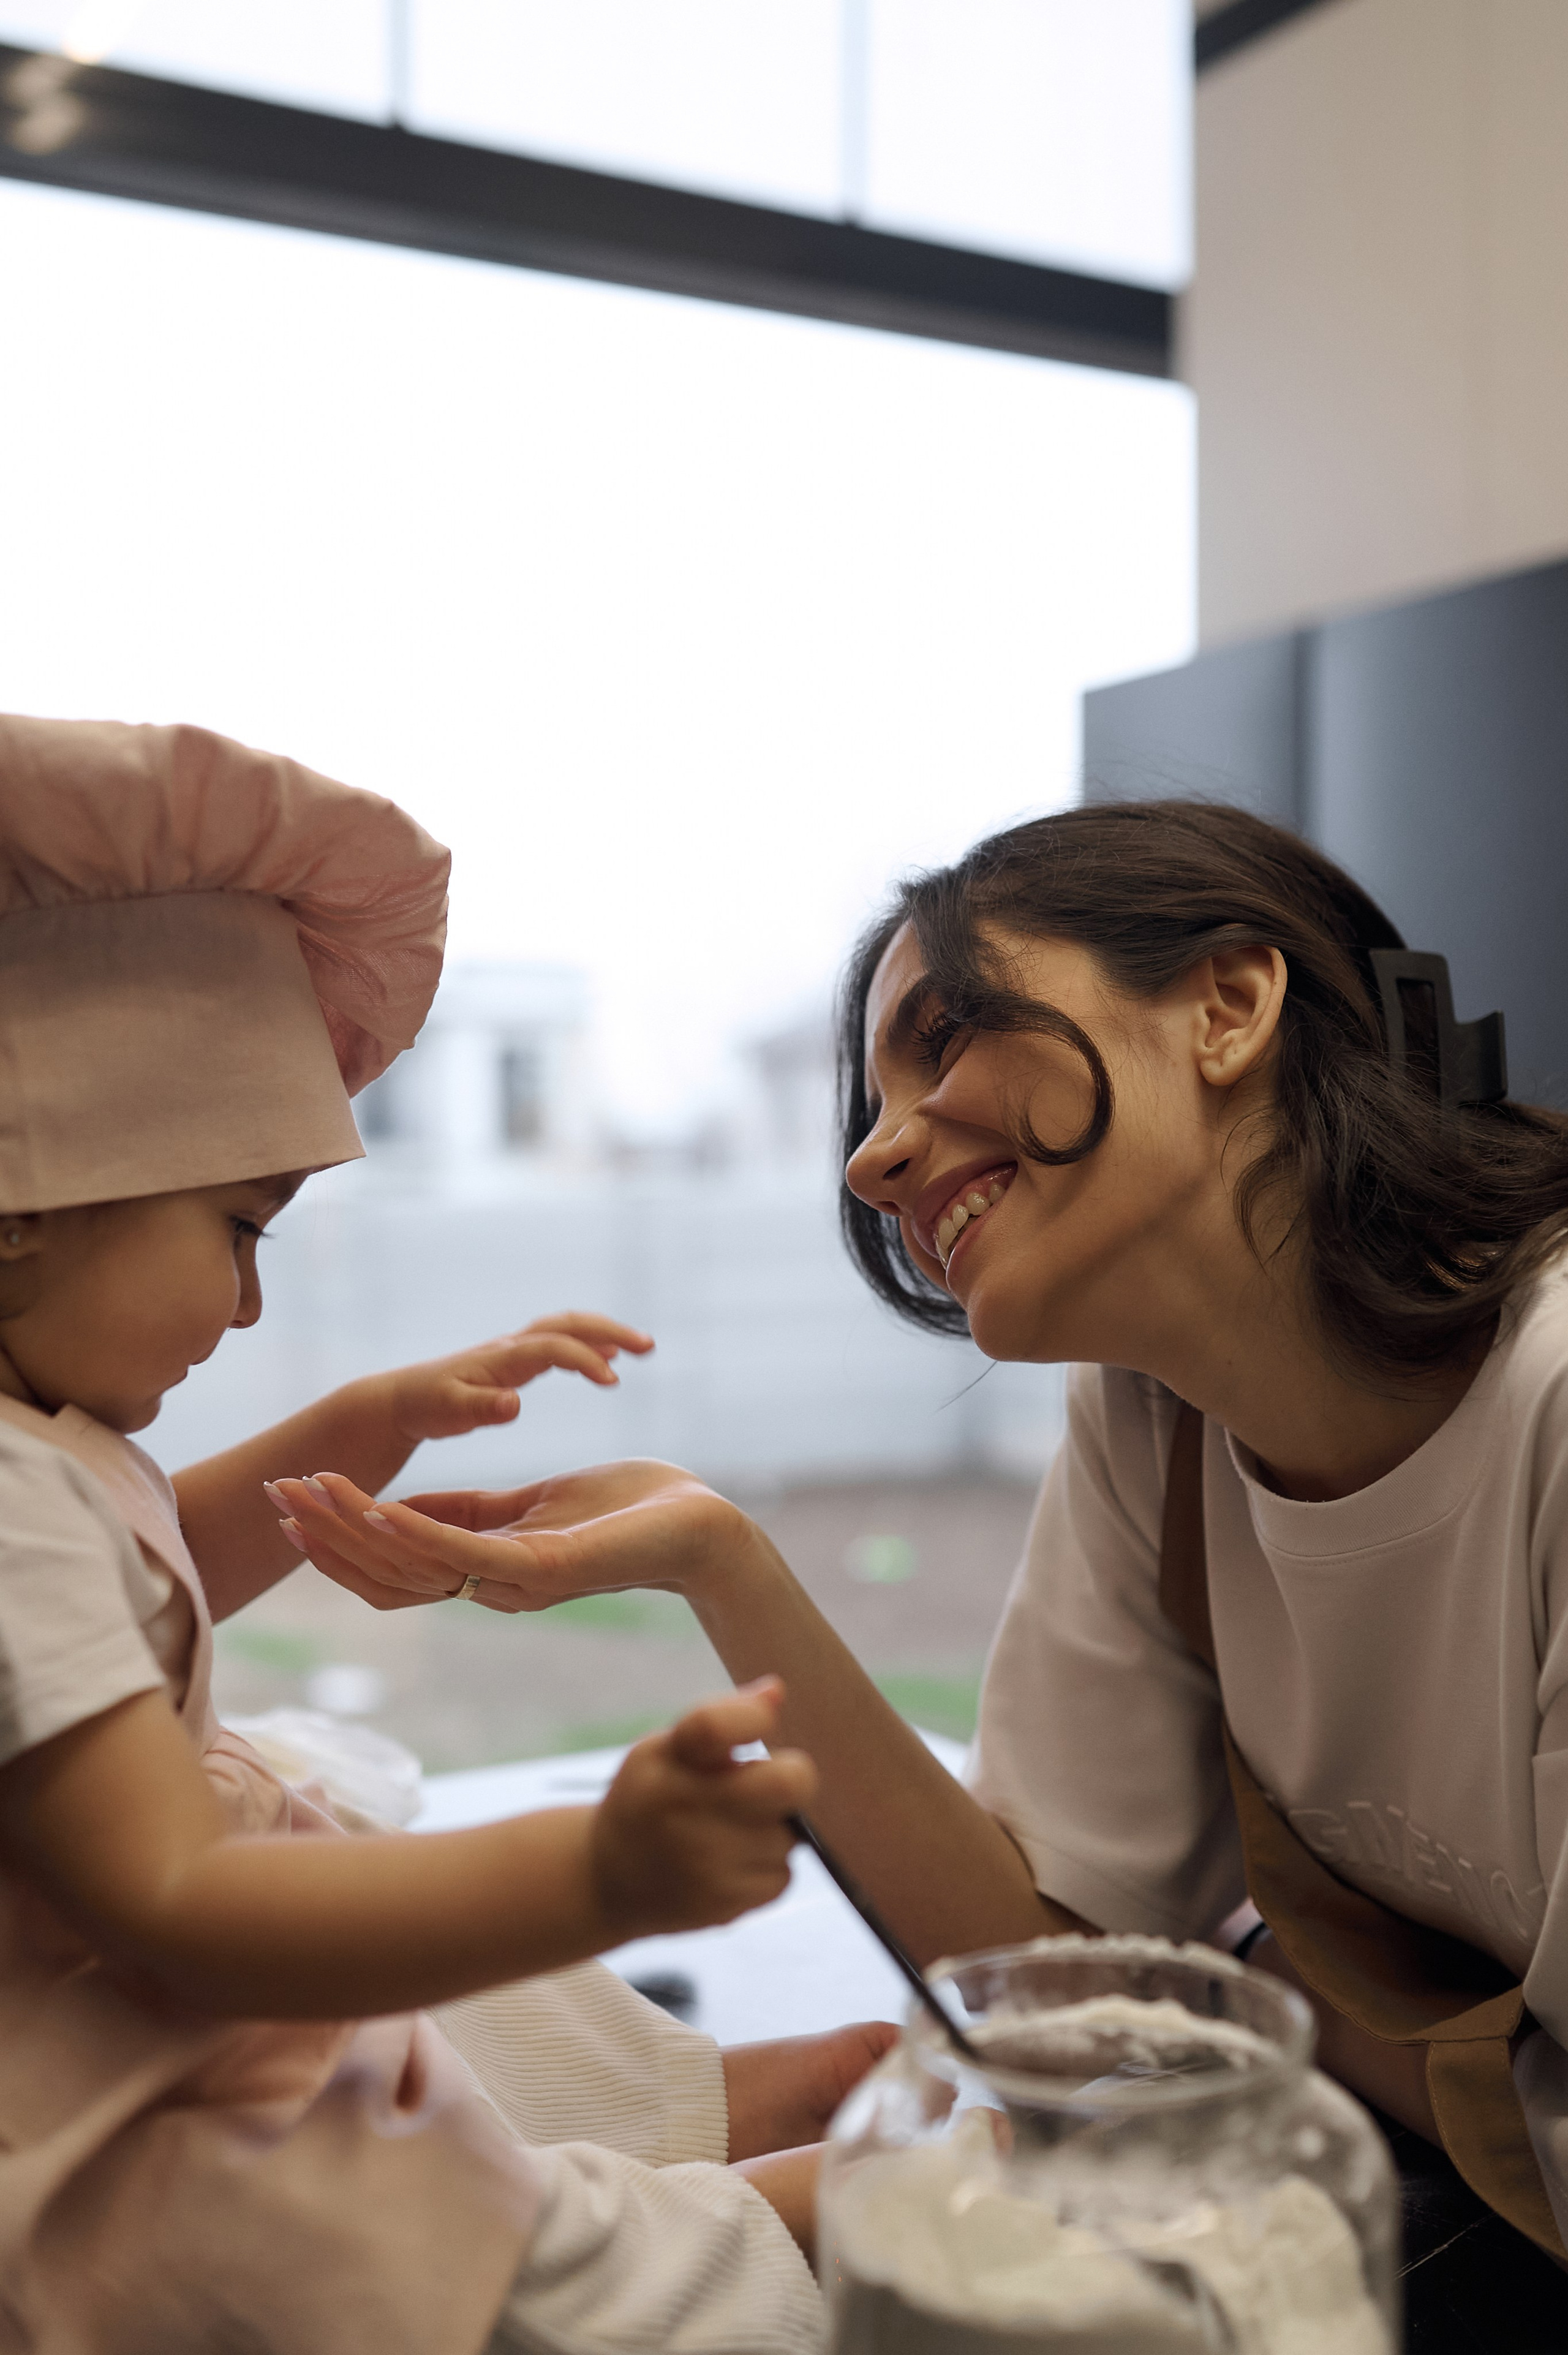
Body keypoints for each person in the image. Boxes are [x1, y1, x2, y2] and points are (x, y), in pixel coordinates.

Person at [284, 798, 1568, 2259]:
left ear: (1228, 1001)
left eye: (944, 1036)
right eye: (872, 1105)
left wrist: (1271, 1999)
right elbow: (1049, 1985)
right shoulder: (1154, 1421)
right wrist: (719, 1558)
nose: (871, 1160)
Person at [0, 710, 889, 2355]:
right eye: (239, 1228)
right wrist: (603, 1869)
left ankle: (681, 2121)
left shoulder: (39, 1454)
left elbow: (149, 1568)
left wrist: (371, 1419)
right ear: (32, 1186)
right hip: (127, 2092)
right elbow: (178, 1892)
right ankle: (785, 2216)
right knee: (468, 2235)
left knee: (453, 1990)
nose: (252, 1295)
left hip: (120, 2006)